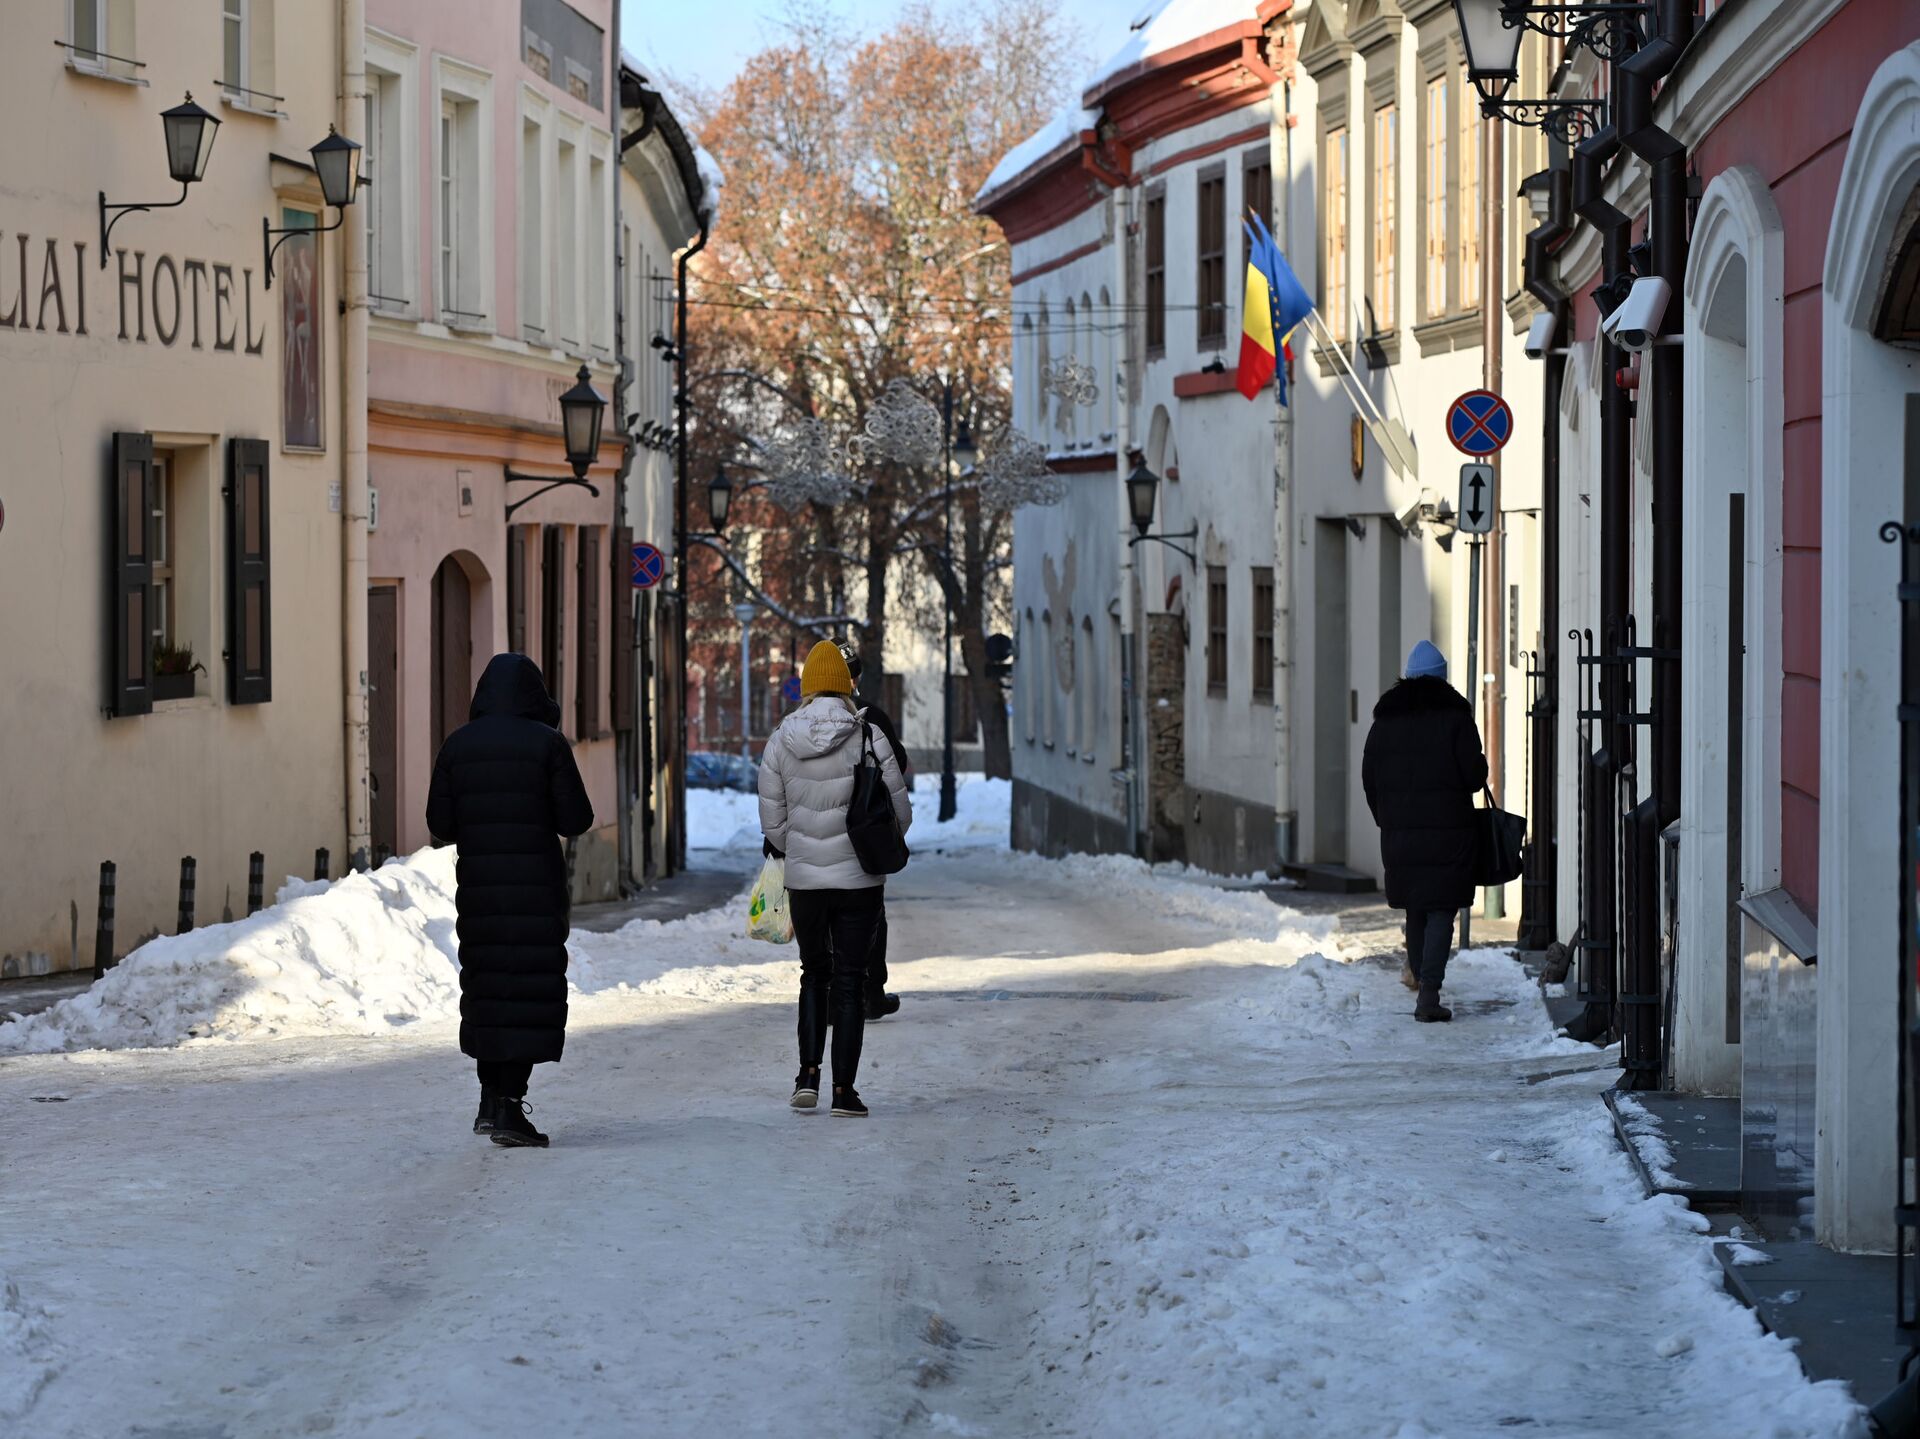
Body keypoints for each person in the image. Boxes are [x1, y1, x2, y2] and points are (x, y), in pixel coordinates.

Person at [427, 653, 594, 1146]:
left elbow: (441, 826)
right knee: (526, 990)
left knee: (489, 989)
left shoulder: (457, 746)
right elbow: (576, 819)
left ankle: (488, 1099)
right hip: (535, 892)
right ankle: (509, 1108)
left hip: (479, 891)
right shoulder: (547, 745)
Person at [758, 640, 912, 1116]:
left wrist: (800, 849)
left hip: (805, 883)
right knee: (849, 979)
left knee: (813, 976)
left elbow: (773, 822)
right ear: (847, 685)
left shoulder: (781, 737)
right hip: (859, 882)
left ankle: (807, 1077)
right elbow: (898, 812)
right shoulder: (868, 734)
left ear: (806, 686)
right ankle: (844, 1092)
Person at [1361, 640, 1489, 1023]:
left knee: (1416, 907)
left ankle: (1419, 978)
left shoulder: (1384, 723)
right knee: (1440, 909)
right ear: (1442, 679)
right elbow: (1474, 777)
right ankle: (1429, 994)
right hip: (1449, 833)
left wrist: (1385, 817)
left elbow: (1370, 779)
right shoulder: (1456, 718)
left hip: (1399, 834)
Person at [839, 641, 908, 1021]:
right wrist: (895, 832)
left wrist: (779, 843)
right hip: (861, 842)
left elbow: (775, 787)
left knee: (821, 925)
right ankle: (869, 991)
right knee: (869, 919)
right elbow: (898, 769)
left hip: (810, 850)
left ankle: (829, 996)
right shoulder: (872, 720)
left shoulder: (793, 723)